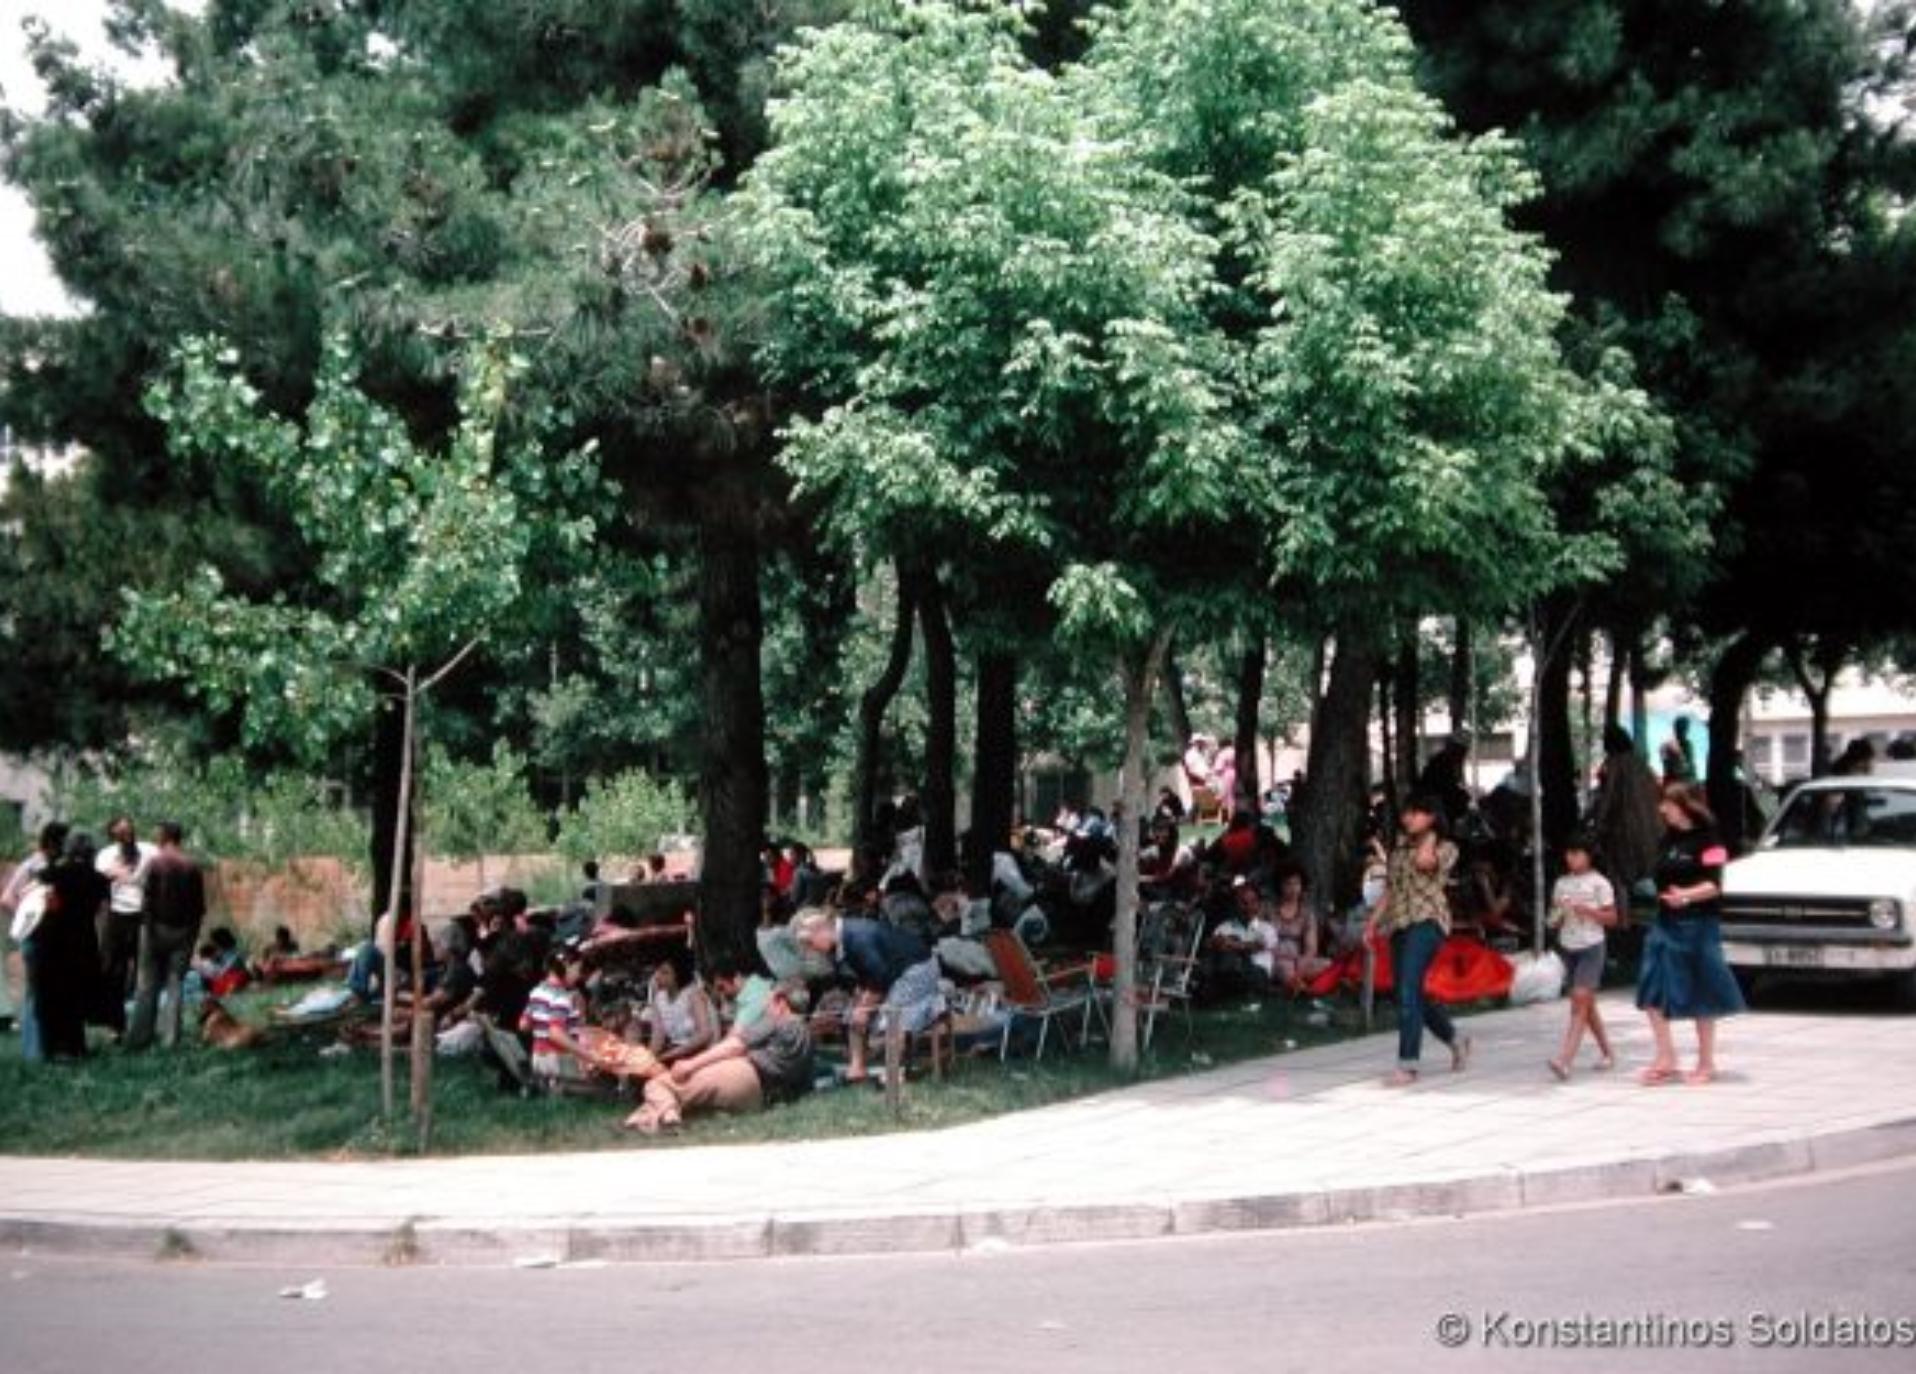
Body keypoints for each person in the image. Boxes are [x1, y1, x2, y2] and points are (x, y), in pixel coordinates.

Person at [1636, 783, 1744, 1085]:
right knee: (1650, 987)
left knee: (1702, 991)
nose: (1662, 809)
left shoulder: (1711, 841)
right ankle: (1666, 1056)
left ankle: (1706, 1061)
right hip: (1665, 922)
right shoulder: (1666, 839)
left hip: (1699, 924)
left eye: (1667, 804)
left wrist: (1687, 895)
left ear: (1685, 806)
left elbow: (1714, 885)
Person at [1365, 795, 1471, 1086]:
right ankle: (1454, 1038)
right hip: (1400, 921)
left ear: (1432, 817)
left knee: (1409, 989)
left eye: (1415, 813)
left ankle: (1408, 1064)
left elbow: (1426, 862)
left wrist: (1432, 835)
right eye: (1406, 813)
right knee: (1407, 992)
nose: (1407, 819)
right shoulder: (1398, 849)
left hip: (1428, 922)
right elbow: (1391, 889)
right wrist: (1372, 923)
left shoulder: (1446, 848)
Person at [625, 980, 814, 1134]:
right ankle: (643, 1120)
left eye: (769, 1002)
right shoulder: (808, 1035)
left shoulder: (777, 1022)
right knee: (682, 1098)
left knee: (658, 1084)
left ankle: (669, 1119)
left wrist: (691, 1064)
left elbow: (734, 1045)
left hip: (745, 1075)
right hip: (763, 1099)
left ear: (781, 1002)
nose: (766, 1009)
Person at [793, 906, 945, 1083]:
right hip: (893, 972)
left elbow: (879, 976)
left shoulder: (857, 937)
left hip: (917, 968)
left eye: (810, 943)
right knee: (853, 1013)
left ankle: (894, 1071)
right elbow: (868, 972)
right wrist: (861, 1001)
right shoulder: (843, 939)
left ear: (821, 930)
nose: (812, 950)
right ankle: (857, 1067)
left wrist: (865, 1008)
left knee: (893, 1015)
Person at [125, 821, 207, 1051]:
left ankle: (140, 1038)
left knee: (147, 985)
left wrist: (148, 931)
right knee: (175, 985)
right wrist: (192, 936)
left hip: (155, 928)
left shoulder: (155, 863)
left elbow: (147, 901)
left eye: (157, 834)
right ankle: (171, 1039)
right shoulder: (192, 866)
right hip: (183, 932)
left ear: (164, 836)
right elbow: (199, 907)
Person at [31, 831, 111, 1061]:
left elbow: (38, 888)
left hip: (53, 941)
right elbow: (100, 910)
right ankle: (77, 1046)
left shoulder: (54, 874)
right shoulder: (98, 879)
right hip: (83, 941)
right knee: (77, 995)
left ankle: (55, 1047)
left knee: (54, 994)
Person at [1546, 834, 1617, 1080]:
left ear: (1589, 855)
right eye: (1568, 853)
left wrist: (1587, 911)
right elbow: (1553, 919)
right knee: (1586, 1004)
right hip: (1569, 946)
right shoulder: (1561, 883)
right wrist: (1558, 915)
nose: (1571, 858)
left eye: (1577, 853)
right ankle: (1608, 1052)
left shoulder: (1600, 883)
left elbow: (1612, 918)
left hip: (1591, 946)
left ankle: (1565, 1060)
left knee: (1579, 1000)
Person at [4, 822, 68, 1062]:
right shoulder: (32, 865)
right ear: (53, 843)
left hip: (52, 938)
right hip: (36, 937)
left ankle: (47, 1046)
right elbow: (7, 898)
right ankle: (34, 1051)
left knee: (47, 991)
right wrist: (27, 918)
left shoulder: (55, 865)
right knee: (35, 992)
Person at [94, 814, 155, 1037]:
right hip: (116, 916)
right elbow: (100, 884)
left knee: (145, 971)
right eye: (121, 832)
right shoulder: (105, 855)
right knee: (113, 973)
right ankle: (115, 1027)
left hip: (143, 914)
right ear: (113, 835)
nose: (127, 835)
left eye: (129, 830)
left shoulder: (148, 850)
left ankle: (144, 1027)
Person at [1588, 724, 1662, 904]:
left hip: (1625, 828)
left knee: (1619, 875)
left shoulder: (1615, 763)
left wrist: (1596, 823)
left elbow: (1608, 797)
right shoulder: (1641, 764)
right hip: (1651, 826)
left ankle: (1623, 920)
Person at [520, 947, 589, 1089]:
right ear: (566, 966)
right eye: (578, 969)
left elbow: (524, 1025)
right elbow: (555, 1033)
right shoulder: (563, 997)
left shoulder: (537, 992)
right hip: (559, 1062)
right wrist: (588, 1055)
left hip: (539, 1060)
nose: (580, 975)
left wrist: (542, 1022)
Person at [643, 945, 719, 1065]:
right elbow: (658, 1035)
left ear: (678, 975)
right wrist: (648, 1059)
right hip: (674, 1051)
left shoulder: (693, 994)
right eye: (657, 971)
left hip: (699, 1053)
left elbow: (705, 1034)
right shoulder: (659, 998)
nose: (657, 976)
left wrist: (672, 1054)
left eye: (665, 972)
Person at [1271, 868, 1330, 988]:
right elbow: (1262, 941)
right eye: (1288, 883)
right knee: (1284, 968)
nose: (1293, 888)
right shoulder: (1268, 910)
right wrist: (1278, 957)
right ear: (1280, 886)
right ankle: (1298, 985)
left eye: (1297, 883)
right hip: (1274, 958)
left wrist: (1303, 962)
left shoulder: (1307, 913)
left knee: (1329, 964)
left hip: (1298, 959)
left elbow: (1312, 948)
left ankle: (1298, 981)